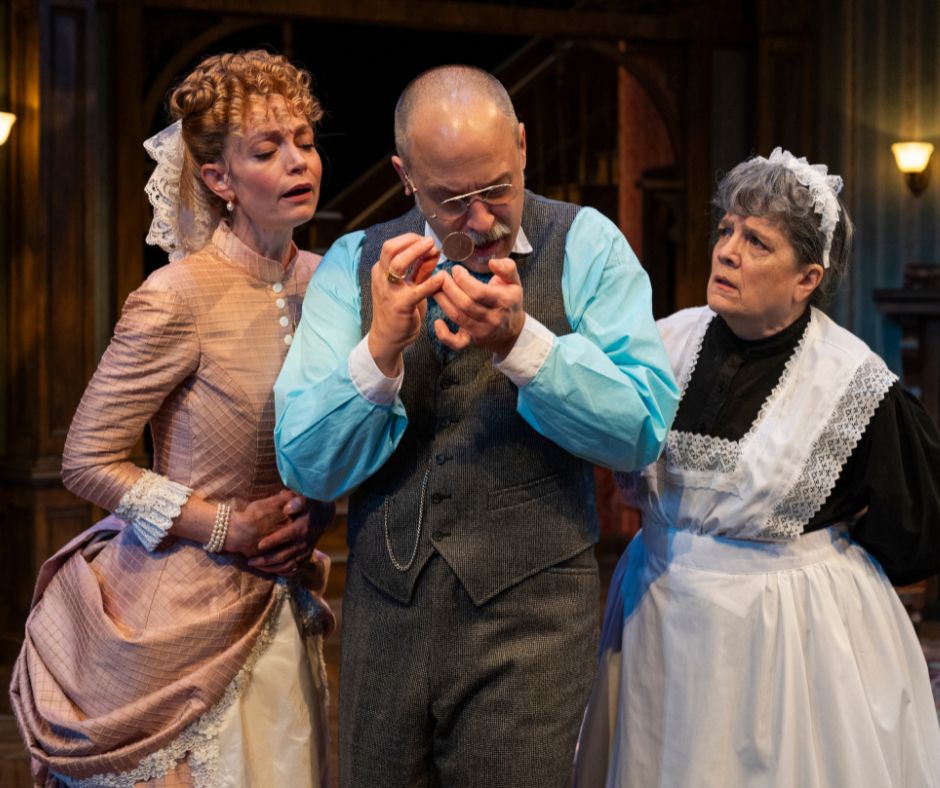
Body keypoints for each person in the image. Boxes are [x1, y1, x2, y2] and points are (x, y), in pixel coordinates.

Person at [274, 64, 679, 788]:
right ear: (405, 176)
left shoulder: (587, 244)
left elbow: (641, 430)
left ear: (522, 145)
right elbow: (305, 464)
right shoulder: (353, 263)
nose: (483, 219)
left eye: (496, 188)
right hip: (384, 616)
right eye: (451, 199)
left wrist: (524, 346)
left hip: (530, 621)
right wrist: (379, 353)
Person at [10, 50, 335, 787]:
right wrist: (229, 527)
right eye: (267, 149)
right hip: (175, 615)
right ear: (219, 180)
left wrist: (313, 513)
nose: (297, 162)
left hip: (278, 601)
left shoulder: (333, 284)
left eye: (304, 142)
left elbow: (343, 433)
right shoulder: (176, 296)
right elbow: (87, 459)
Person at [573, 148, 940, 787]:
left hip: (784, 640)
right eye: (727, 230)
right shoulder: (665, 342)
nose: (729, 250)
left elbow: (916, 526)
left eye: (758, 242)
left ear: (808, 277)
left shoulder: (851, 383)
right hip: (656, 611)